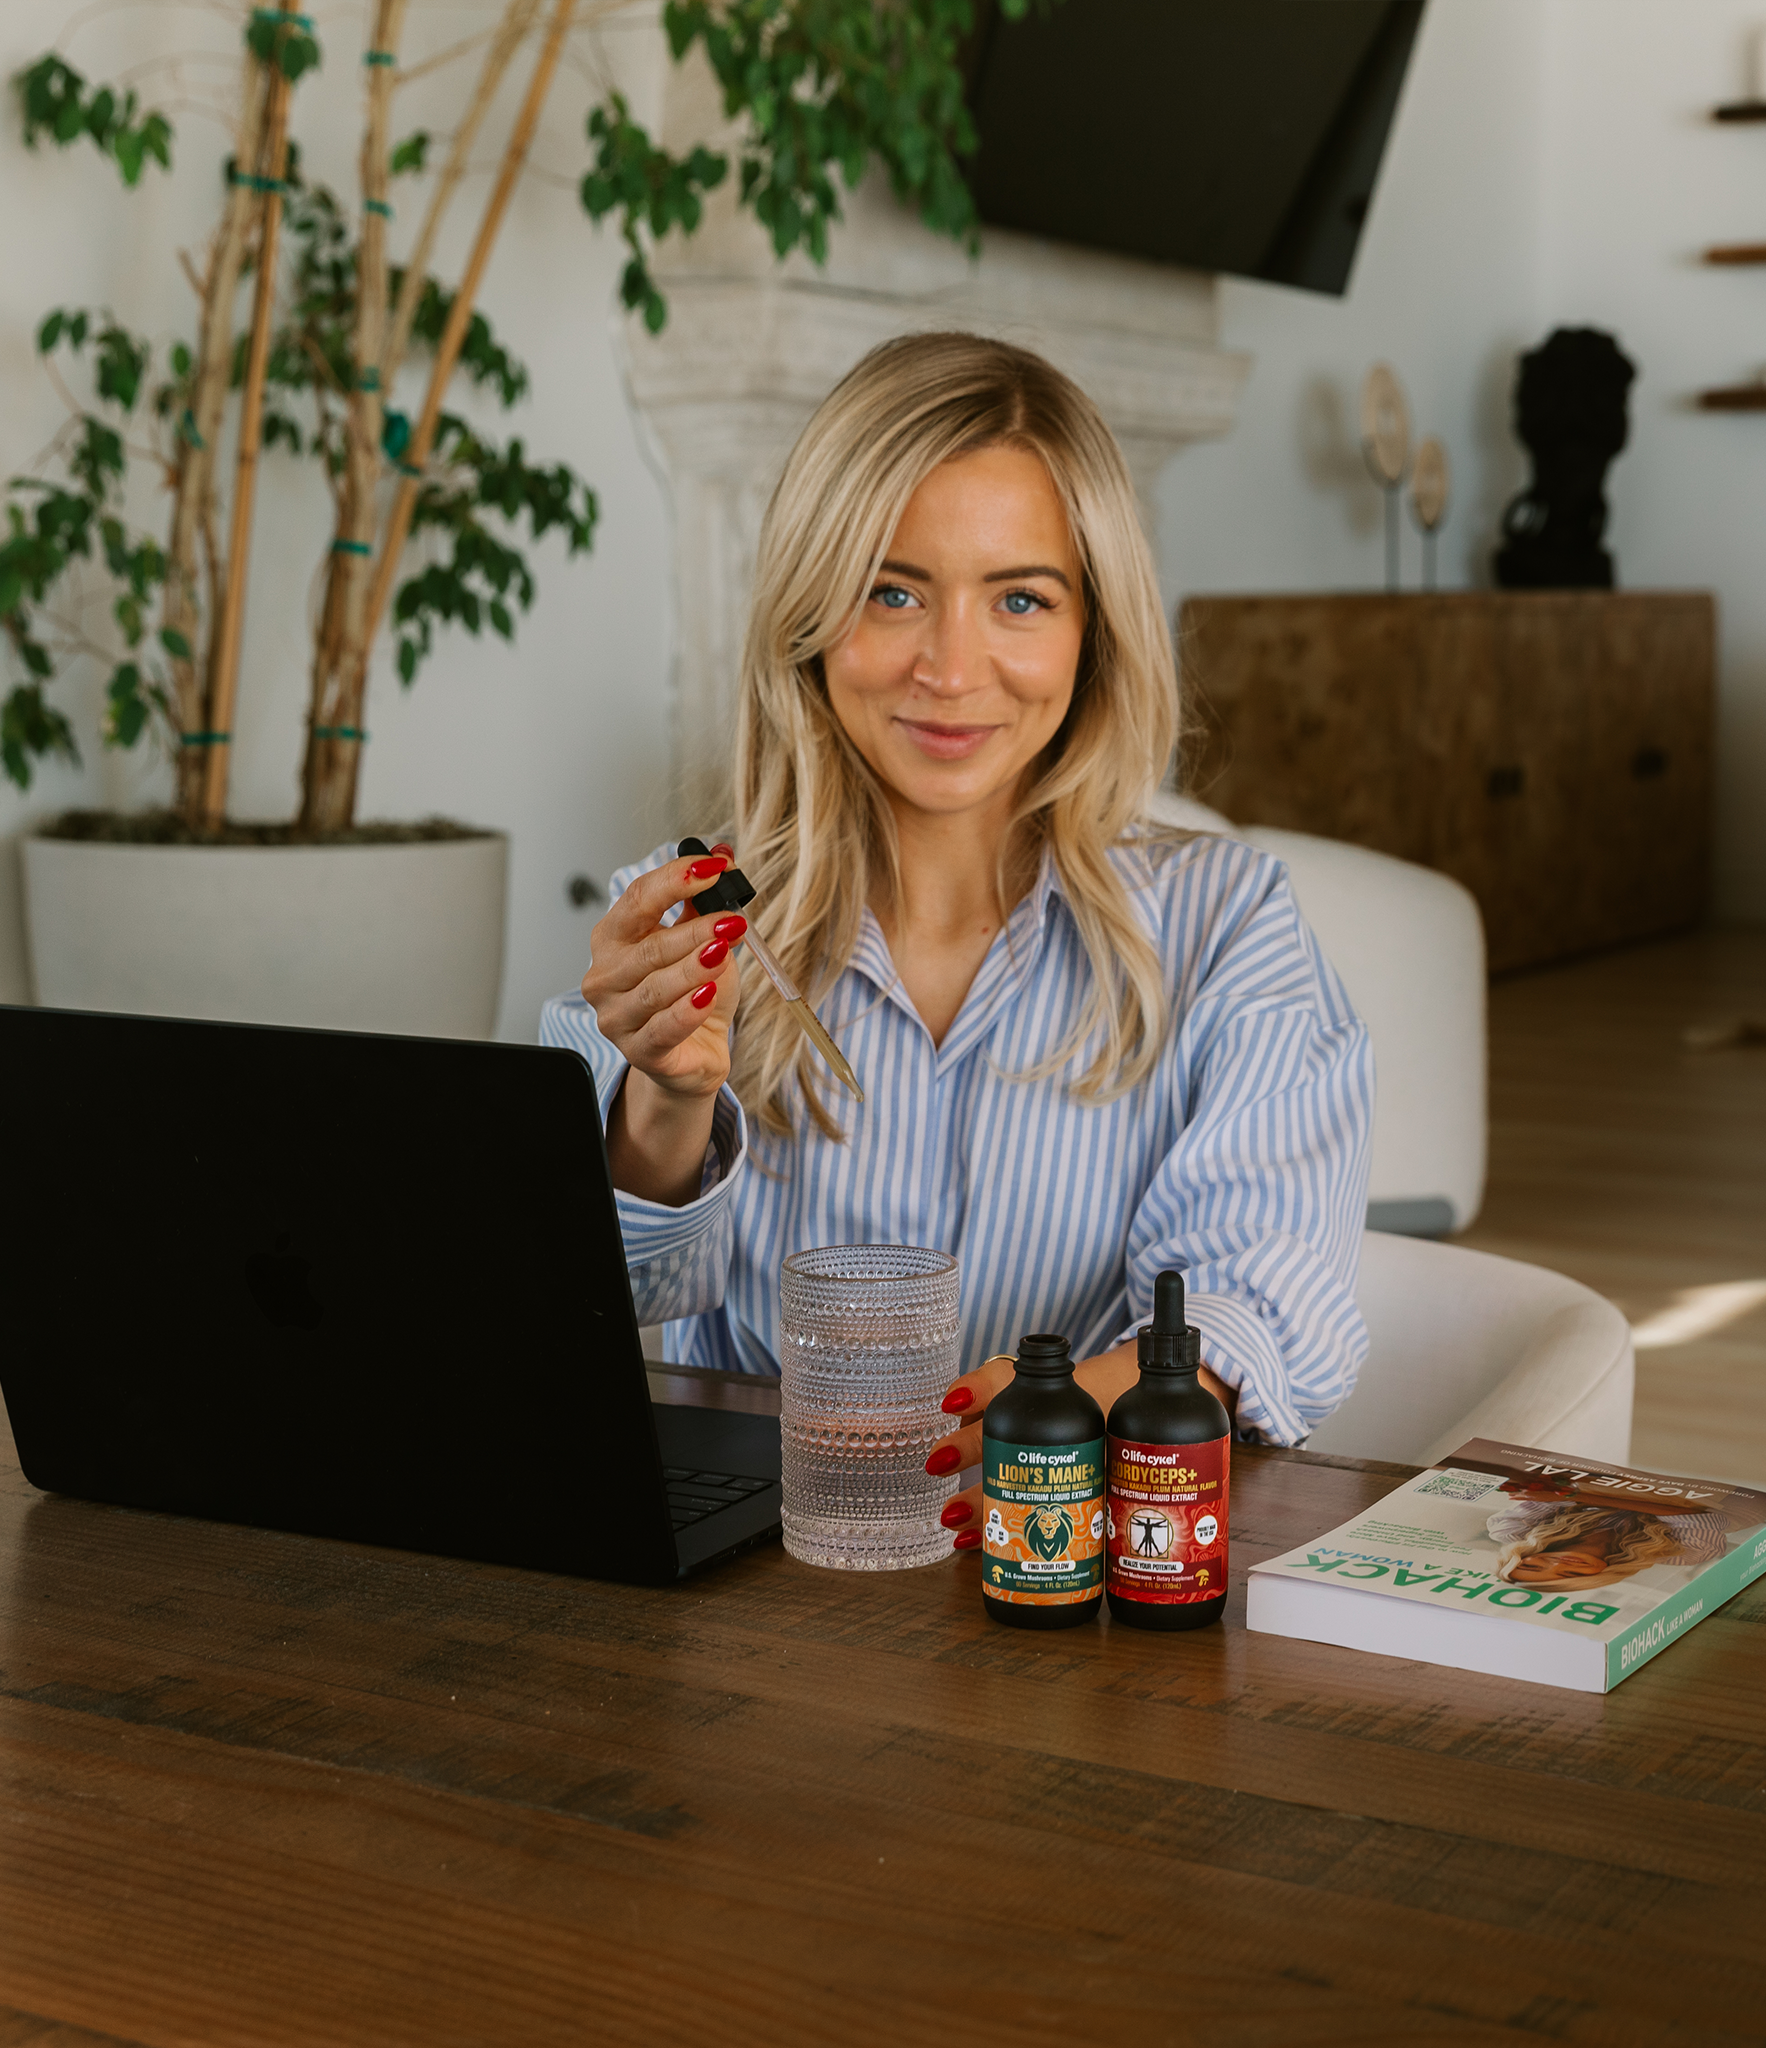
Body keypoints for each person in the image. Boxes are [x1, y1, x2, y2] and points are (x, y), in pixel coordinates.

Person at [542, 331, 1372, 1552]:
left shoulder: (1227, 923)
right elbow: (591, 1300)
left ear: (1094, 629)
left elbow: (1257, 1307)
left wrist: (1052, 1425)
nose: (948, 666)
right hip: (762, 1577)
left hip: (1072, 1560)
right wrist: (665, 1101)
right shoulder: (679, 923)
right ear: (811, 615)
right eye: (891, 590)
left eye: (1020, 599)